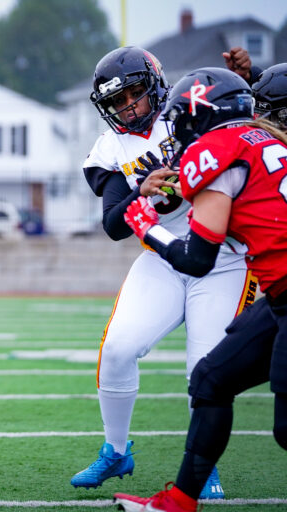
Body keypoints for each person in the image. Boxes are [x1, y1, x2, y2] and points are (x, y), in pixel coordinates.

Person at [71, 47, 256, 499]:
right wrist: (141, 189)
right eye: (117, 101)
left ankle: (202, 465)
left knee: (206, 368)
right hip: (162, 258)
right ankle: (116, 451)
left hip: (224, 259)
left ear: (155, 86)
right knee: (117, 348)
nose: (127, 106)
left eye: (134, 93)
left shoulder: (191, 112)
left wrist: (246, 81)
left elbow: (254, 117)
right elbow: (115, 225)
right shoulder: (113, 147)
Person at [115, 67, 287, 512]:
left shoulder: (217, 150)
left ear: (198, 115)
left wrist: (148, 228)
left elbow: (196, 259)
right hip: (280, 294)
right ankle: (179, 500)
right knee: (211, 378)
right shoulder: (269, 140)